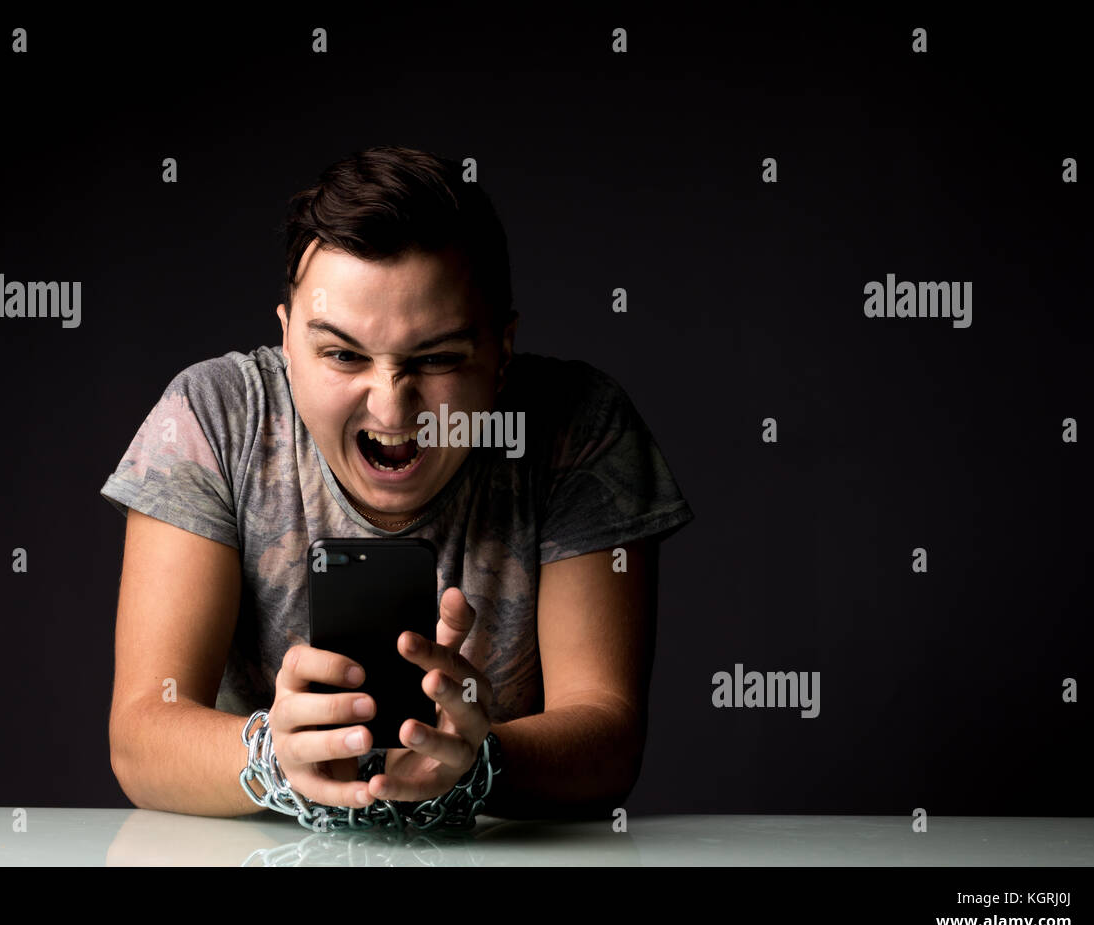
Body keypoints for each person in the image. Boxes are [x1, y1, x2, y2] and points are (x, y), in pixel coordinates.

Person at [100, 145, 693, 825]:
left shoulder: (576, 427)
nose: (391, 408)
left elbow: (608, 736)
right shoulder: (214, 417)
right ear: (287, 341)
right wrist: (272, 757)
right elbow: (141, 734)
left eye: (436, 358)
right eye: (342, 354)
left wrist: (479, 763)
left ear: (502, 354)